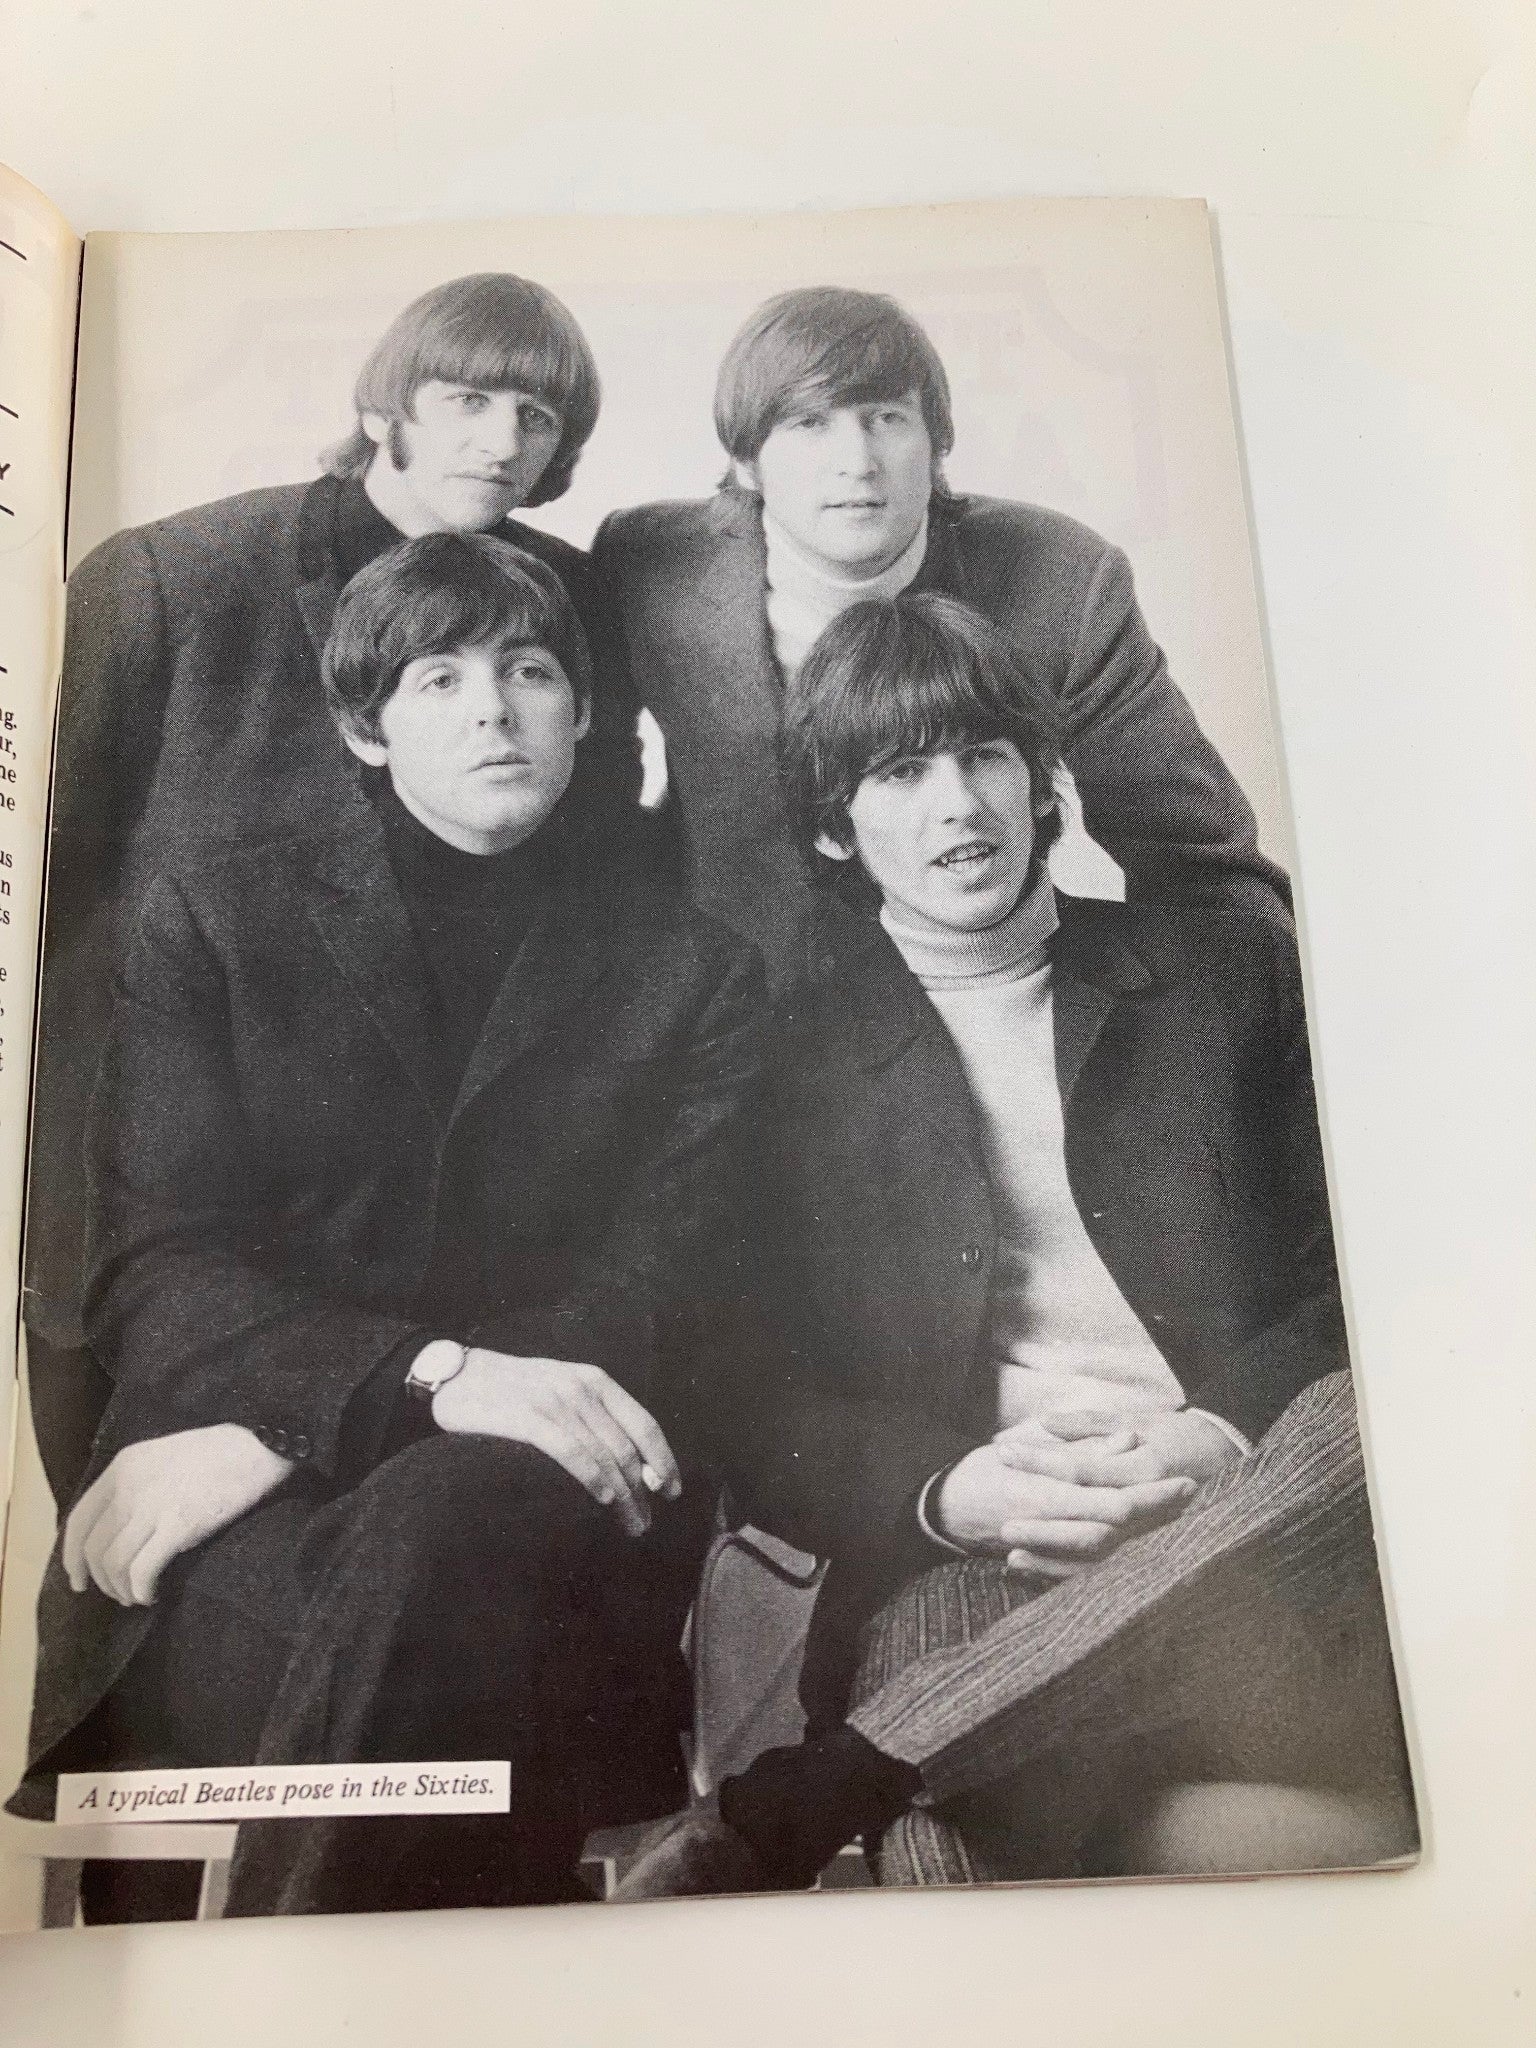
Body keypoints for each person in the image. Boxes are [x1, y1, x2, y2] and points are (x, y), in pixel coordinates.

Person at [615, 591, 1414, 1897]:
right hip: (989, 1559)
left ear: (1045, 780)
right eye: (900, 770)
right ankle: (914, 1804)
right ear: (835, 823)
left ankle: (818, 1796)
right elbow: (746, 1398)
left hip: (1271, 1553)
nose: (957, 805)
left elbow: (1378, 1283)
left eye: (985, 754)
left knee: (1350, 1414)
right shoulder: (778, 1068)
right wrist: (950, 1488)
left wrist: (1212, 1436)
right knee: (954, 1796)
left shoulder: (1229, 972)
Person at [10, 536, 765, 1918]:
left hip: (549, 1513)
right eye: (441, 677)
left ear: (584, 711)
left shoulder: (693, 969)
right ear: (366, 726)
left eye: (534, 671)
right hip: (234, 1528)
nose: (495, 708)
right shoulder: (217, 921)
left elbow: (665, 1290)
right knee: (432, 1641)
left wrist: (306, 1417)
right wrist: (425, 1380)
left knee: (446, 1532)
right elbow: (148, 1265)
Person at [27, 271, 644, 1509]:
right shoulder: (171, 579)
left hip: (430, 1226)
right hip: (169, 1193)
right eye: (468, 399)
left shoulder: (572, 601)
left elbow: (597, 883)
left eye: (537, 418)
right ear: (384, 409)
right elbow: (45, 891)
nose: (503, 442)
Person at [593, 285, 1290, 991]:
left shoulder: (1060, 578)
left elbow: (1195, 859)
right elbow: (596, 810)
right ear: (746, 459)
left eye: (887, 417)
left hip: (973, 1010)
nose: (857, 460)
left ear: (937, 442)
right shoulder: (651, 567)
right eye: (809, 424)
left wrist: (1220, 1042)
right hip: (742, 1020)